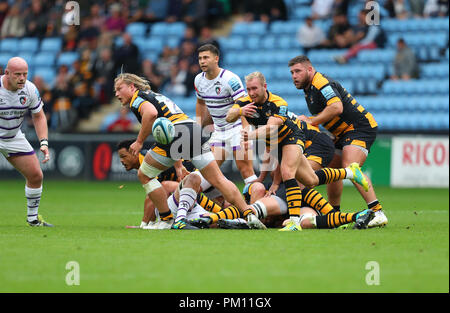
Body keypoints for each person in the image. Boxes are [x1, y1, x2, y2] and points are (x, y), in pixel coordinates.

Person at [114, 73, 263, 229]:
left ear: (132, 87)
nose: (117, 94)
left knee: (144, 175)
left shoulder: (137, 99)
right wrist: (178, 165)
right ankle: (249, 214)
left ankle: (165, 220)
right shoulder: (153, 95)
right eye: (115, 91)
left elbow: (151, 114)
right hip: (192, 129)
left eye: (119, 89)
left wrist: (138, 142)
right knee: (218, 180)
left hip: (177, 133)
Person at [226, 71, 369, 231]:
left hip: (293, 136)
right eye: (249, 89)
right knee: (311, 180)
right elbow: (229, 116)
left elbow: (271, 128)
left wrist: (250, 135)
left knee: (288, 173)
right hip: (280, 144)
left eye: (254, 89)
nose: (251, 93)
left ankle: (294, 222)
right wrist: (239, 111)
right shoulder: (245, 103)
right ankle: (350, 173)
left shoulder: (278, 103)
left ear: (264, 87)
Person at [288, 55, 387, 228]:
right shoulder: (309, 89)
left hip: (359, 128)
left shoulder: (321, 83)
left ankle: (378, 212)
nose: (294, 76)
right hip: (342, 133)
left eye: (298, 71)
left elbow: (336, 107)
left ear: (310, 69)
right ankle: (334, 215)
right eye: (291, 72)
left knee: (350, 167)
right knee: (332, 169)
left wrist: (311, 121)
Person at [194, 44, 258, 186]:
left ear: (216, 59)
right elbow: (200, 103)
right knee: (208, 170)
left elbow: (243, 106)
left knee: (246, 170)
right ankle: (218, 202)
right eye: (200, 58)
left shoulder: (230, 79)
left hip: (237, 129)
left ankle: (256, 204)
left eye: (206, 57)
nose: (202, 61)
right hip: (219, 131)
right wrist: (198, 126)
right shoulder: (198, 80)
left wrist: (246, 133)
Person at [0, 57, 52, 227]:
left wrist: (43, 142)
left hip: (13, 136)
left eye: (25, 74)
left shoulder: (30, 89)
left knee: (36, 176)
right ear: (7, 73)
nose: (22, 78)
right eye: (17, 74)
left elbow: (39, 116)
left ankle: (33, 220)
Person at [117, 139, 193, 228]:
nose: (121, 160)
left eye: (124, 156)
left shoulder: (149, 161)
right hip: (189, 188)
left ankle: (159, 222)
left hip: (194, 185)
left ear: (134, 153)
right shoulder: (148, 158)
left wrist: (144, 225)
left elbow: (152, 196)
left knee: (160, 189)